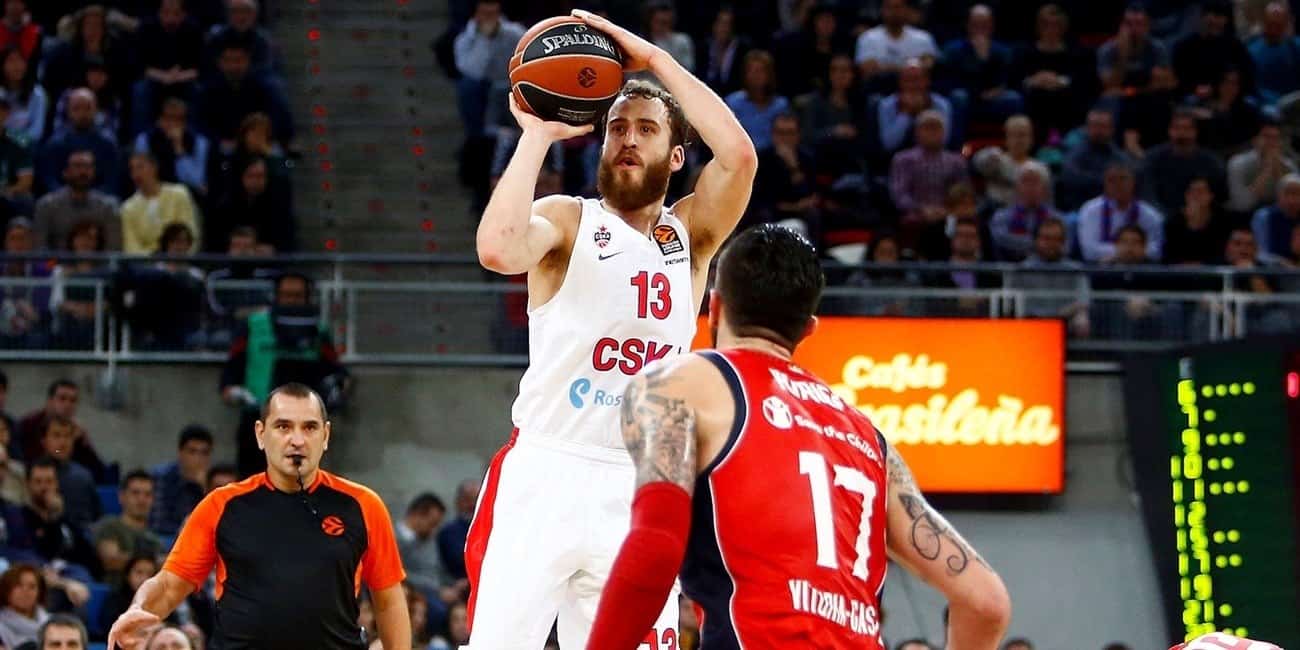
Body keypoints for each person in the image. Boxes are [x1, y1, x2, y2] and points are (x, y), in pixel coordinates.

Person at [470, 7, 758, 647]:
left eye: (646, 129)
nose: (627, 138)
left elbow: (739, 157)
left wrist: (655, 61)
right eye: (617, 127)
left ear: (676, 156)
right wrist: (536, 136)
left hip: (640, 483)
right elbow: (496, 249)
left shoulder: (692, 236)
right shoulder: (568, 219)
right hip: (548, 466)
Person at [584, 225, 1010, 648]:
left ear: (714, 307)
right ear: (808, 329)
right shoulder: (870, 439)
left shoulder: (681, 384)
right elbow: (986, 602)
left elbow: (656, 548)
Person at [106, 383, 412, 650]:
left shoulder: (363, 505)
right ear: (260, 434)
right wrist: (138, 608)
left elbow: (389, 601)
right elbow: (170, 585)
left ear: (326, 435)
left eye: (309, 427)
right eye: (283, 427)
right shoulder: (221, 505)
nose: (297, 440)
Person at [219, 272, 349, 476]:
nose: (292, 301)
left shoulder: (318, 332)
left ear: (307, 298)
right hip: (257, 421)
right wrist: (234, 391)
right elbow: (231, 369)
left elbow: (336, 371)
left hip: (305, 428)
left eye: (297, 296)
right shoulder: (253, 326)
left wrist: (336, 390)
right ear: (276, 296)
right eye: (286, 295)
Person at [31, 150, 122, 252]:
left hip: (98, 262)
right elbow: (40, 249)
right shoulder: (46, 205)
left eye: (87, 167)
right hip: (56, 261)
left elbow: (113, 250)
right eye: (77, 166)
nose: (83, 172)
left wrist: (91, 262)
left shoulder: (108, 207)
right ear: (65, 172)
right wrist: (56, 263)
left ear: (94, 172)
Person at [36, 89, 121, 196]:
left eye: (87, 108)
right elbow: (50, 180)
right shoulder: (55, 144)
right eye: (76, 108)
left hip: (99, 200)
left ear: (96, 110)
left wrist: (91, 199)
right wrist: (68, 198)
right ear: (68, 111)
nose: (82, 113)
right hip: (62, 200)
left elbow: (111, 182)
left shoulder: (108, 144)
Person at [17, 380, 105, 480]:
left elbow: (98, 472)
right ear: (50, 401)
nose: (68, 405)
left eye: (73, 400)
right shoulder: (28, 425)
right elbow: (29, 460)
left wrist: (84, 444)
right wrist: (59, 450)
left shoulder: (77, 431)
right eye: (62, 399)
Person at [1077, 162, 1164, 262]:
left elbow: (1156, 251)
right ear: (1104, 183)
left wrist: (1128, 252)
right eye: (1111, 180)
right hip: (1100, 267)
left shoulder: (1150, 215)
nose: (1117, 184)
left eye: (1123, 179)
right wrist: (1125, 251)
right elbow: (1089, 251)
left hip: (1141, 267)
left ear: (1133, 182)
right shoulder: (1090, 210)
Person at [122, 152, 200, 254]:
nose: (136, 174)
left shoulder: (179, 195)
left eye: (140, 167)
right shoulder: (128, 208)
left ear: (154, 167)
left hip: (180, 258)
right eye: (132, 169)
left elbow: (191, 233)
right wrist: (155, 259)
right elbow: (131, 247)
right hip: (145, 263)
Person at [93, 471, 163, 583]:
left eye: (147, 495)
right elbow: (111, 560)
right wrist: (151, 561)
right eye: (135, 493)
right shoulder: (110, 526)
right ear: (121, 497)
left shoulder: (154, 538)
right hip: (117, 589)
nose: (141, 499)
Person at [149, 425, 213, 537]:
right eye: (192, 452)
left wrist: (204, 489)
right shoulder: (161, 478)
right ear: (180, 452)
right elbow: (157, 523)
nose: (198, 459)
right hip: (164, 538)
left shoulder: (212, 481)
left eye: (204, 453)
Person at [989, 161, 1060, 261]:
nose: (1030, 187)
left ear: (1045, 188)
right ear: (1017, 187)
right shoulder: (1002, 216)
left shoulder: (1055, 218)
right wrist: (1039, 244)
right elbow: (1001, 240)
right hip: (1010, 265)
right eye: (1025, 181)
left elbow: (1064, 246)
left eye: (1035, 182)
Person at [855, 0, 937, 84]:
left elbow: (928, 66)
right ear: (882, 10)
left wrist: (884, 67)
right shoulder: (867, 38)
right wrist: (910, 67)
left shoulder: (923, 38)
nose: (894, 12)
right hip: (879, 87)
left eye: (898, 7)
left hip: (914, 87)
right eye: (889, 7)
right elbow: (868, 69)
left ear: (907, 9)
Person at [724, 50, 790, 151]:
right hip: (741, 154)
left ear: (769, 74)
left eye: (760, 71)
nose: (755, 75)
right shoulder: (733, 102)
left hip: (774, 155)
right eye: (751, 71)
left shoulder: (781, 105)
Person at [1227, 121, 1296, 215]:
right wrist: (1267, 170)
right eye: (1267, 137)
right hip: (1245, 215)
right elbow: (1242, 204)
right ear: (1255, 140)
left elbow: (1292, 203)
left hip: (1279, 214)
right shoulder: (1237, 164)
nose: (1271, 142)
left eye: (1276, 138)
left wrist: (1277, 170)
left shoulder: (1288, 165)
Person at [395, 493, 448, 601]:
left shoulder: (429, 539)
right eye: (432, 524)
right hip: (415, 593)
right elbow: (401, 574)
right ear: (418, 514)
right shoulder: (393, 538)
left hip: (438, 590)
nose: (434, 530)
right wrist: (438, 590)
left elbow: (437, 569)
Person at [436, 479, 478, 582]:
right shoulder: (449, 532)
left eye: (477, 500)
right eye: (468, 500)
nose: (472, 505)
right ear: (458, 502)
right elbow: (460, 559)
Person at [1251, 173, 1300, 260]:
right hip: (1271, 265)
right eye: (1288, 193)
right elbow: (1260, 252)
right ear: (1278, 195)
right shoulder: (1264, 216)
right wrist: (1282, 263)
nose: (1292, 200)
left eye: (1297, 194)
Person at [0, 563, 49, 648]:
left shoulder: (52, 622)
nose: (25, 591)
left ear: (40, 592)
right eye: (18, 585)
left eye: (32, 586)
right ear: (6, 589)